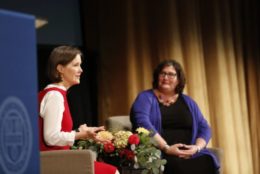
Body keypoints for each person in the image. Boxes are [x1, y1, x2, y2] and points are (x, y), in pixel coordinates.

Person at [39, 45, 119, 174]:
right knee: (112, 172)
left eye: (80, 65)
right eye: (75, 65)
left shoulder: (55, 94)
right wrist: (80, 135)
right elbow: (51, 137)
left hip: (59, 159)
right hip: (54, 161)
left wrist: (79, 131)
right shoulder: (55, 95)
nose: (81, 70)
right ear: (60, 68)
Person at [130, 60, 220, 174]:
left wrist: (196, 148)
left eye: (171, 74)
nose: (166, 77)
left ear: (179, 80)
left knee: (208, 161)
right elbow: (142, 124)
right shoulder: (145, 97)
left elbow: (204, 127)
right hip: (161, 152)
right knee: (178, 167)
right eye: (162, 73)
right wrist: (167, 148)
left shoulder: (188, 101)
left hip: (189, 153)